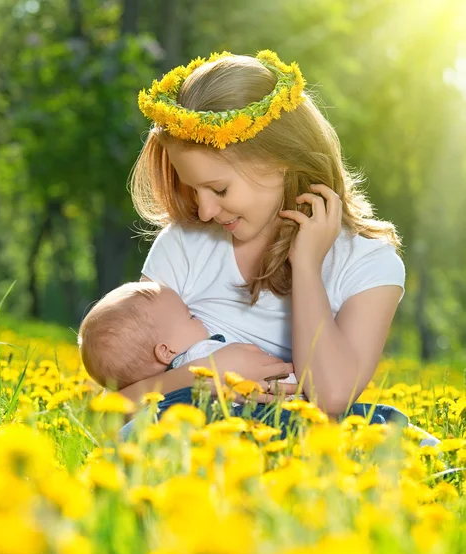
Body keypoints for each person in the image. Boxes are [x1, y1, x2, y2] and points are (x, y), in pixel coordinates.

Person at [118, 49, 437, 444]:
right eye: (192, 189)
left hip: (307, 431)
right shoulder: (185, 245)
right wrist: (210, 375)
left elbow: (332, 398)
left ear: (281, 160)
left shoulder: (368, 261)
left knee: (401, 439)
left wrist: (306, 268)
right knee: (140, 434)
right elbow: (119, 402)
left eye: (219, 189)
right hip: (199, 427)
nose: (203, 211)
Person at [78, 280, 297, 390]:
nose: (198, 318)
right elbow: (271, 375)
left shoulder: (163, 396)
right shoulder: (204, 355)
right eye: (189, 316)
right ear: (166, 351)